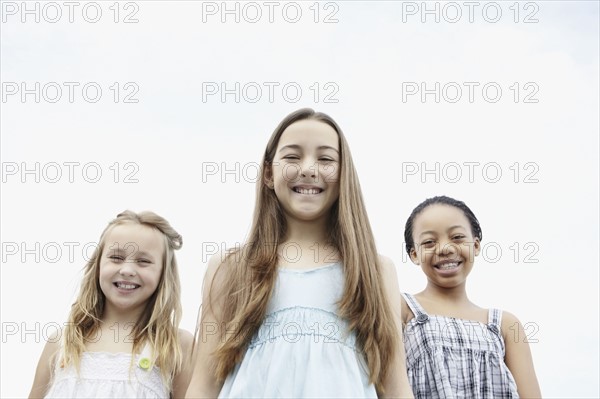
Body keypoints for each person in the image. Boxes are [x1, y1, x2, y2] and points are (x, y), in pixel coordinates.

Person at [186, 108, 413, 398]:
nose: (308, 168)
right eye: (292, 157)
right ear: (269, 173)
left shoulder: (376, 270)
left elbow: (395, 386)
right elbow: (204, 385)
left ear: (343, 173)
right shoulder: (230, 267)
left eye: (326, 158)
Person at [29, 210, 194, 398]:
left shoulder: (175, 346)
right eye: (116, 258)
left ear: (163, 273)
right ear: (98, 265)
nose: (127, 270)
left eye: (143, 261)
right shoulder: (61, 343)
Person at [402, 195, 541, 398]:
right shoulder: (402, 308)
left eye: (457, 237)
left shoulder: (505, 324)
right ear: (414, 254)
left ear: (475, 245)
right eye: (429, 242)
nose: (445, 248)